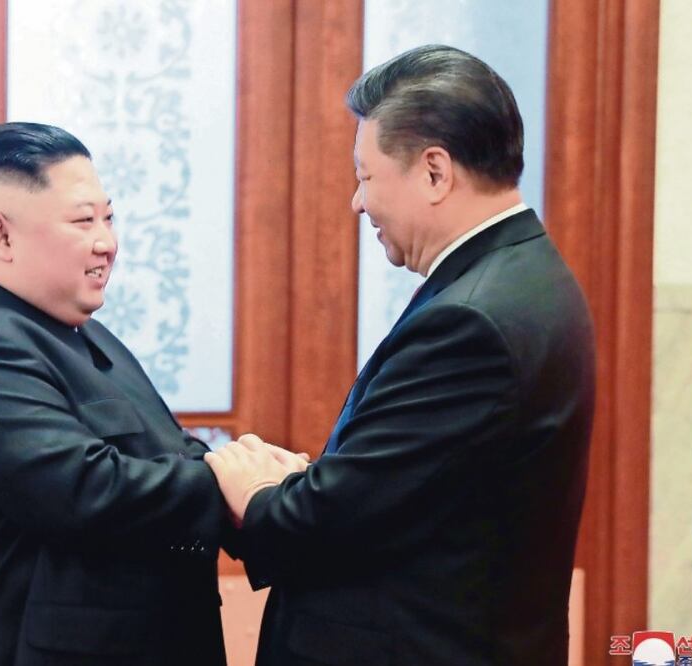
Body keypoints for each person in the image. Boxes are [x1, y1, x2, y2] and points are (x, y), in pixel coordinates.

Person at [206, 45, 597, 665]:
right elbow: (412, 493)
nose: (357, 203)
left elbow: (326, 525)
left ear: (434, 171)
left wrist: (255, 486)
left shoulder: (469, 321)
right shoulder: (523, 274)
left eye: (365, 176)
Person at [0, 122, 230, 666]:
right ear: (0, 234)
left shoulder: (85, 333)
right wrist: (236, 485)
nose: (107, 242)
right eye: (83, 221)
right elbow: (86, 490)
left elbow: (169, 452)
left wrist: (252, 473)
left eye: (108, 217)